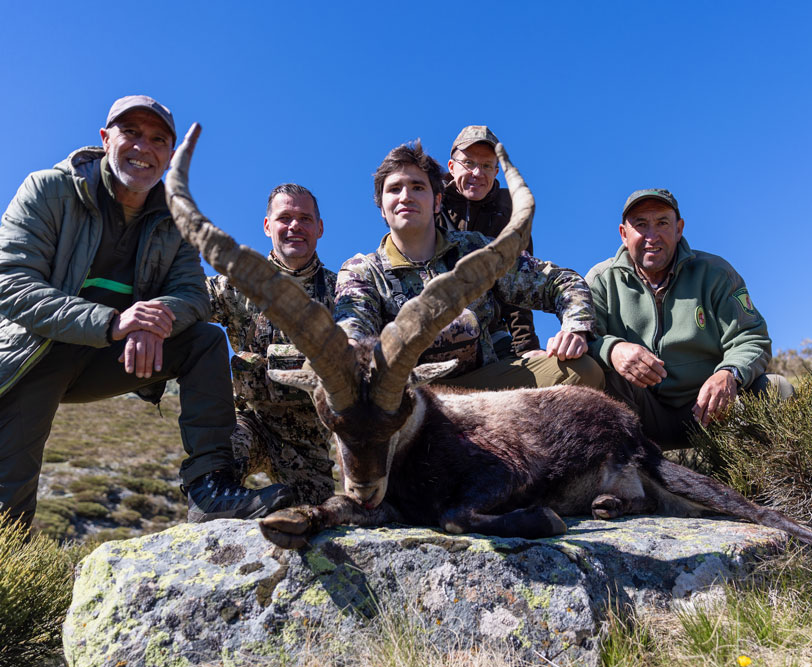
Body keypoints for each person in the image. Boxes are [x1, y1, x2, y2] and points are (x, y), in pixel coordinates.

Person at [0, 95, 284, 529]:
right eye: (131, 133)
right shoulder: (48, 189)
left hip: (105, 355)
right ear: (105, 139)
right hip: (25, 355)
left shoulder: (175, 218)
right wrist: (113, 322)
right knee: (3, 515)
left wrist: (153, 320)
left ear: (168, 156)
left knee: (203, 341)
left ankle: (210, 487)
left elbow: (191, 294)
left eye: (158, 140)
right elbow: (10, 283)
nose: (143, 147)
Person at [334, 141, 603, 390]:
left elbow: (561, 281)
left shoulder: (475, 248)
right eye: (394, 189)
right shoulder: (362, 270)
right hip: (410, 398)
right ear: (381, 206)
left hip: (484, 392)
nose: (405, 196)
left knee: (582, 371)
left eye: (418, 187)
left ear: (437, 201)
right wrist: (349, 348)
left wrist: (574, 328)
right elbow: (352, 327)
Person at [586, 188, 794, 449]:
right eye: (640, 225)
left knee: (776, 388)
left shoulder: (716, 273)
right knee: (598, 374)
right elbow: (585, 339)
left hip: (711, 411)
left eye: (662, 222)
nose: (651, 236)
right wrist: (612, 349)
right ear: (623, 234)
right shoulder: (601, 281)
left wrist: (729, 374)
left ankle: (776, 485)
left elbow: (751, 337)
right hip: (637, 416)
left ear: (679, 229)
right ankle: (616, 480)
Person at [208, 183, 338, 506]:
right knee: (212, 459)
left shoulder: (342, 295)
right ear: (267, 226)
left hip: (309, 445)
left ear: (319, 228)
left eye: (305, 219)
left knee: (316, 520)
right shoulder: (238, 283)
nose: (295, 226)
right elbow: (188, 300)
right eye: (285, 218)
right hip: (249, 423)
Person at [439, 125, 540, 355]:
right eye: (469, 163)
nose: (477, 173)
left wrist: (526, 347)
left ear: (496, 172)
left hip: (490, 334)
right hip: (434, 331)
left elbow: (520, 284)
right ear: (452, 167)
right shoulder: (431, 204)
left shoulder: (511, 212)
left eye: (486, 166)